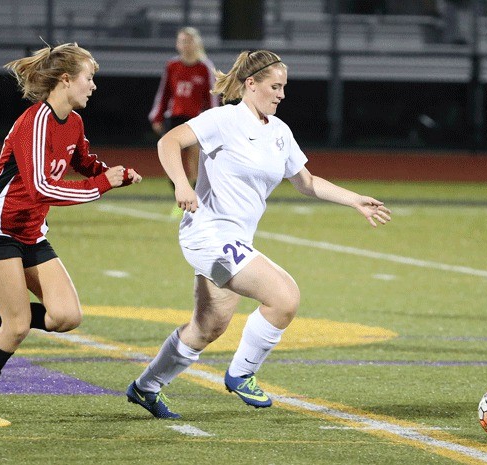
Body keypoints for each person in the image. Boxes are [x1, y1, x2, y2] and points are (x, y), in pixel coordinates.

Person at [126, 50, 391, 419]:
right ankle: (241, 374)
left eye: (284, 87)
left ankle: (145, 387)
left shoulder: (280, 132)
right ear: (250, 84)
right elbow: (168, 142)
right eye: (275, 86)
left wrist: (354, 201)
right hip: (208, 233)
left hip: (235, 240)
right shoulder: (223, 119)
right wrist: (181, 186)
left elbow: (307, 182)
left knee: (207, 328)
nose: (281, 94)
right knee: (284, 297)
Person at [0, 43, 142, 384]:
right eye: (88, 78)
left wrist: (111, 175)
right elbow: (41, 188)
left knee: (65, 316)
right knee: (15, 327)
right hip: (0, 227)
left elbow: (85, 162)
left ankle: (5, 308)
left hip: (30, 231)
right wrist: (102, 184)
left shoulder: (72, 121)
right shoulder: (35, 122)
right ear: (65, 79)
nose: (93, 86)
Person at [148, 26, 218, 216]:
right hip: (174, 117)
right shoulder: (172, 66)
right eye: (182, 41)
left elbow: (212, 98)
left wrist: (214, 121)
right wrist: (157, 116)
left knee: (195, 160)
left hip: (196, 119)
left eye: (189, 41)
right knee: (169, 160)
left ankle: (195, 201)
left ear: (197, 43)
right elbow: (164, 93)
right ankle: (181, 198)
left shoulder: (204, 67)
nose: (185, 45)